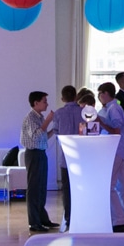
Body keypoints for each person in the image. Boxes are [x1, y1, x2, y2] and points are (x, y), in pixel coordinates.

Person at [96, 82, 124, 231]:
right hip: (118, 150)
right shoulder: (113, 108)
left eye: (100, 94)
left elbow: (116, 130)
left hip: (115, 150)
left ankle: (119, 220)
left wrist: (101, 123)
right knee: (122, 186)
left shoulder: (113, 108)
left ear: (105, 93)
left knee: (109, 186)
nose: (99, 98)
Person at [45, 85, 82, 230]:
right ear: (76, 96)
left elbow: (56, 131)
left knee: (67, 189)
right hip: (82, 156)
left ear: (62, 98)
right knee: (80, 188)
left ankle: (69, 218)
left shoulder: (59, 113)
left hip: (66, 158)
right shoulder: (83, 112)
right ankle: (81, 216)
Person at [21, 91, 56, 232]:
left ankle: (42, 219)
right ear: (36, 103)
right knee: (34, 189)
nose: (46, 104)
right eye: (44, 101)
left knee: (41, 188)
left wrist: (53, 130)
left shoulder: (39, 117)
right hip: (33, 154)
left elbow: (42, 137)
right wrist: (48, 120)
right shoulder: (31, 118)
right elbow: (36, 136)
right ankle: (34, 222)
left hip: (41, 153)